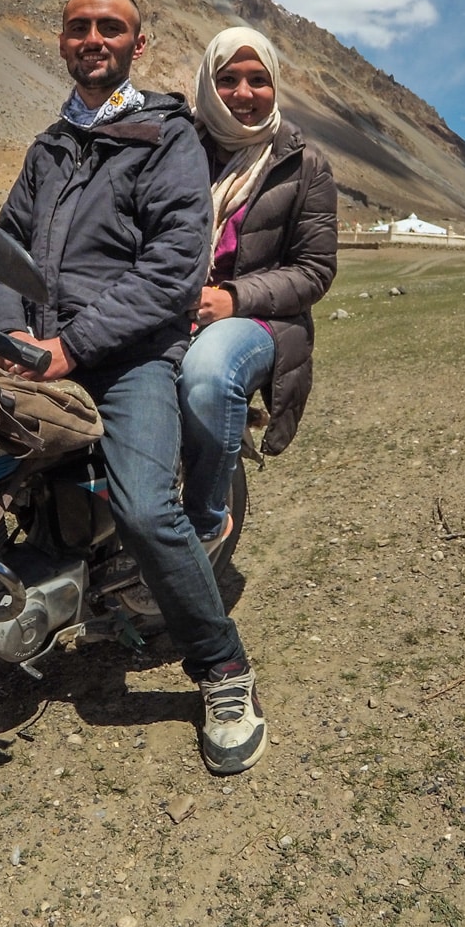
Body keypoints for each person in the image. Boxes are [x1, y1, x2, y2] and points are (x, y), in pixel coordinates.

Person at [0, 0, 267, 776]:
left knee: (145, 505)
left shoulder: (165, 138)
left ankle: (222, 669)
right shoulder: (50, 146)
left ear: (140, 45)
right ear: (63, 42)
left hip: (132, 355)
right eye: (80, 27)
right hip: (41, 349)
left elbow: (173, 270)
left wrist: (73, 346)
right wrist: (8, 326)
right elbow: (6, 241)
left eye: (111, 28)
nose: (94, 38)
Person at [179, 27, 337, 548]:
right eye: (227, 79)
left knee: (207, 375)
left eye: (257, 80)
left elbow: (314, 270)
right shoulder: (175, 150)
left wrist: (232, 299)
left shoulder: (304, 163)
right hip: (170, 305)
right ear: (207, 83)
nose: (243, 94)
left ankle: (203, 526)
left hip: (260, 319)